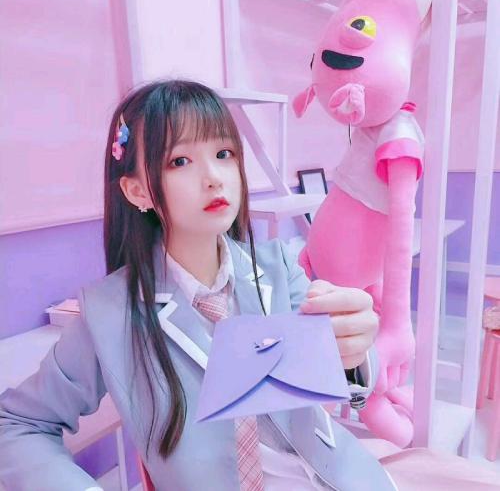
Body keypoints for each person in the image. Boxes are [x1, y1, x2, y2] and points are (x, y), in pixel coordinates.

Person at [1, 80, 498, 491]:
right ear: (137, 190)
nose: (214, 178)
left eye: (223, 153)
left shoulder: (280, 267)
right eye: (179, 161)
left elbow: (347, 389)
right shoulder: (109, 313)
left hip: (342, 476)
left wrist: (356, 353)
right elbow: (16, 425)